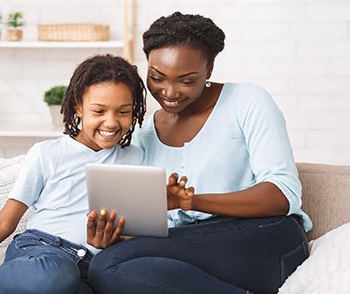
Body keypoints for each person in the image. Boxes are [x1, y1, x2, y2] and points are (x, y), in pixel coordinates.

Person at [87, 12, 312, 294]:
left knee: (107, 266)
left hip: (265, 239)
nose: (169, 92)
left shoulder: (247, 102)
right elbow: (162, 232)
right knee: (106, 264)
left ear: (210, 68)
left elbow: (282, 195)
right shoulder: (143, 132)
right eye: (157, 77)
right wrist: (113, 235)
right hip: (193, 248)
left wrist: (193, 202)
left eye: (187, 80)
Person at [0, 54, 146, 294]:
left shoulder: (136, 158)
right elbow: (5, 223)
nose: (111, 122)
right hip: (43, 252)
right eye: (99, 111)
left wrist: (116, 242)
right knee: (57, 274)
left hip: (92, 268)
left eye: (123, 112)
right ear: (78, 106)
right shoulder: (47, 153)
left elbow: (133, 232)